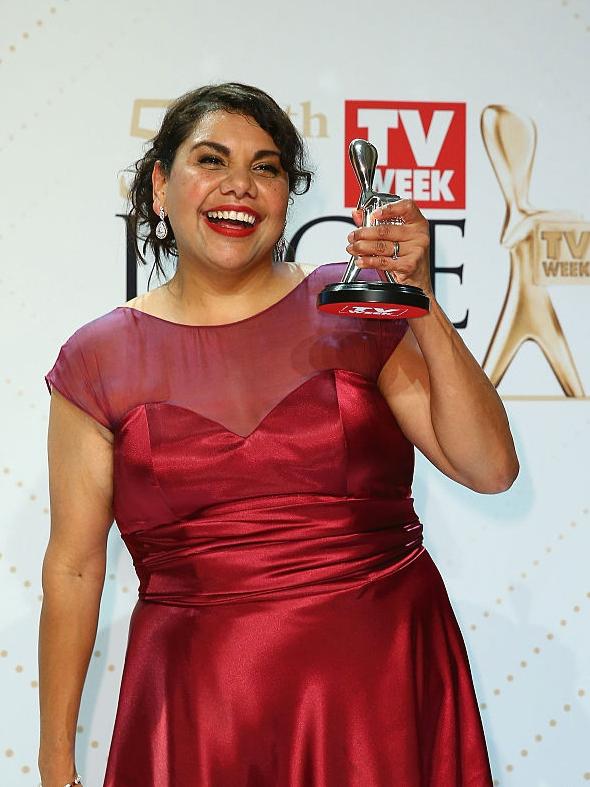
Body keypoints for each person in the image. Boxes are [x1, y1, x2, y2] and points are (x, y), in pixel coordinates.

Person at [39, 82, 519, 787]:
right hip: (200, 710)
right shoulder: (97, 358)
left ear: (287, 195)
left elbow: (491, 469)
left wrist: (415, 300)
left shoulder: (352, 307)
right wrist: (56, 767)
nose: (240, 186)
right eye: (211, 160)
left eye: (266, 167)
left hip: (377, 695)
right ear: (160, 183)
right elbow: (75, 569)